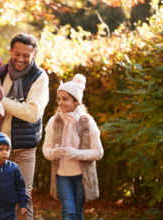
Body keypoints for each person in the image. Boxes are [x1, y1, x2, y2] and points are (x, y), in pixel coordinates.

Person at [0, 33, 49, 219]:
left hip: (24, 148)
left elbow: (32, 113)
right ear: (11, 51)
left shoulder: (39, 78)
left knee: (24, 197)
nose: (21, 59)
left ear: (34, 56)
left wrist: (1, 100)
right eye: (17, 54)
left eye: (26, 55)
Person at [42, 74, 104, 220]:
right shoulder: (54, 121)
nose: (61, 103)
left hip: (82, 176)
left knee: (77, 214)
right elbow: (46, 149)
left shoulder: (87, 122)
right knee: (68, 213)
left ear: (76, 101)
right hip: (62, 176)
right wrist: (53, 153)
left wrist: (78, 153)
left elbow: (98, 152)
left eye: (65, 99)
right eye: (59, 99)